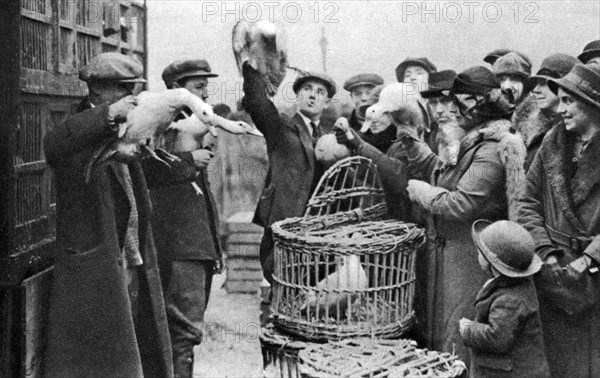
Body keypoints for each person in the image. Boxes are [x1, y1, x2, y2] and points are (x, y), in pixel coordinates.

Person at [43, 52, 173, 377]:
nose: (133, 96)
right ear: (98, 91)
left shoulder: (124, 126)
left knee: (126, 360)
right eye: (124, 89)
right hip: (93, 272)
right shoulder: (78, 131)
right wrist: (109, 118)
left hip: (129, 262)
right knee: (97, 365)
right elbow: (53, 145)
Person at [403, 66, 526, 362]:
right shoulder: (472, 142)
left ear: (477, 104)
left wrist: (422, 191)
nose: (453, 110)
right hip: (451, 258)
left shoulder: (494, 147)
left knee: (458, 342)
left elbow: (461, 204)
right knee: (444, 338)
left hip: (469, 261)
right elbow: (451, 178)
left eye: (458, 103)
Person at [517, 63, 600, 378]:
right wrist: (545, 252)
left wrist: (590, 257)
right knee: (559, 361)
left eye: (569, 101)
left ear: (593, 105)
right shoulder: (553, 142)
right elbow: (527, 201)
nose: (560, 109)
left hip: (592, 275)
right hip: (552, 273)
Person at [142, 59, 223, 378]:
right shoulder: (163, 124)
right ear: (177, 89)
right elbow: (146, 169)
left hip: (195, 245)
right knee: (182, 332)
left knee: (185, 331)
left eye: (206, 84)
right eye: (198, 85)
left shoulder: (198, 123)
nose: (205, 91)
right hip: (178, 246)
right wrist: (189, 159)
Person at [241, 60, 337, 284]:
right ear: (297, 94)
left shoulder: (330, 139)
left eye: (320, 92)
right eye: (307, 89)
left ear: (326, 102)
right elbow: (257, 103)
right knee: (284, 291)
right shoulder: (280, 127)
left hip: (319, 234)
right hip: (284, 229)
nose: (313, 96)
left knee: (312, 302)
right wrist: (254, 65)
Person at [460, 220, 549, 378]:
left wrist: (468, 330)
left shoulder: (510, 300)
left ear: (493, 262)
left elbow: (497, 338)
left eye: (480, 252)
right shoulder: (516, 283)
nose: (477, 255)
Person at [512, 53, 580, 171]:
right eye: (537, 84)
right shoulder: (526, 129)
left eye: (543, 84)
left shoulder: (576, 133)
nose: (535, 90)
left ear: (565, 86)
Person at [420, 69, 463, 153]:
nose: (439, 110)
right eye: (433, 102)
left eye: (445, 101)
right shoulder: (426, 140)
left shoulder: (477, 136)